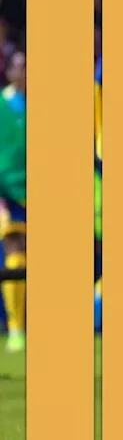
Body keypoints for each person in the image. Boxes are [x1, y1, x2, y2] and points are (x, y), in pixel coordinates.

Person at [0, 53, 24, 352]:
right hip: (7, 192)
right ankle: (17, 328)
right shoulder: (3, 104)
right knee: (17, 253)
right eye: (23, 66)